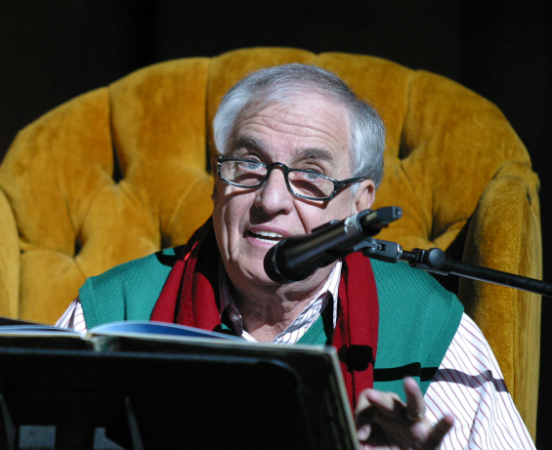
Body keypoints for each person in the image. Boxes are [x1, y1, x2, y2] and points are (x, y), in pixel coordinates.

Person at [57, 64, 535, 449]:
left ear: (361, 201)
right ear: (217, 182)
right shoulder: (111, 311)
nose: (271, 200)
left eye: (311, 174)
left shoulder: (429, 327)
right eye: (248, 164)